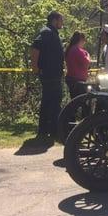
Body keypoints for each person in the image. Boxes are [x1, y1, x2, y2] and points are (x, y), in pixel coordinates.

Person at [30, 11, 64, 140]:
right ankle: (50, 130)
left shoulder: (52, 33)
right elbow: (35, 49)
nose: (62, 23)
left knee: (52, 101)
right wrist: (35, 67)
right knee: (52, 102)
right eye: (61, 20)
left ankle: (48, 130)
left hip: (54, 75)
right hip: (49, 75)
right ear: (54, 20)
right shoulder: (46, 32)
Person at [65, 31, 91, 99]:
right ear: (81, 40)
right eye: (84, 41)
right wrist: (88, 55)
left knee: (74, 101)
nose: (84, 43)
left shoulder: (70, 49)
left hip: (71, 79)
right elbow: (87, 63)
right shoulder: (78, 50)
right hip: (78, 82)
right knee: (83, 102)